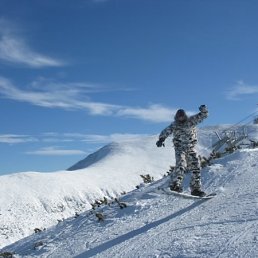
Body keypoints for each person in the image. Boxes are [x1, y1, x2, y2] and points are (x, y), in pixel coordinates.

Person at [156, 105, 208, 197]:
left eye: (182, 116)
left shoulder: (191, 121)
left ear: (185, 116)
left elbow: (202, 116)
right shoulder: (174, 125)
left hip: (191, 148)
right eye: (179, 117)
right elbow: (166, 131)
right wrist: (161, 139)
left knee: (196, 167)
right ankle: (175, 185)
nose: (180, 119)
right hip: (180, 149)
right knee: (181, 165)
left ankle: (196, 189)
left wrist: (203, 111)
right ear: (176, 117)